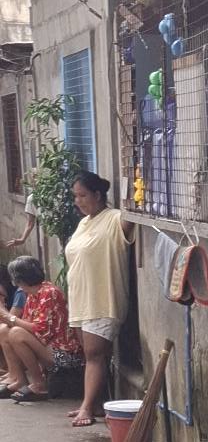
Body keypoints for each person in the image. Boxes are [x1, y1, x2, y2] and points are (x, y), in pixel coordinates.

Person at [65, 171, 135, 427]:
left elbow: (132, 216)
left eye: (82, 195)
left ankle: (86, 408)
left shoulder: (114, 219)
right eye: (75, 196)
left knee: (94, 354)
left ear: (98, 195)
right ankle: (93, 403)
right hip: (81, 301)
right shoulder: (84, 223)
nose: (78, 201)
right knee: (92, 356)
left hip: (102, 299)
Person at [0, 255, 82, 401]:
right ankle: (18, 378)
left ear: (19, 280)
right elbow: (26, 322)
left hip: (63, 353)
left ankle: (39, 384)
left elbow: (39, 328)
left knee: (17, 333)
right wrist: (7, 317)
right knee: (4, 331)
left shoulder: (49, 293)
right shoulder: (33, 294)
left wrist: (8, 316)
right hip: (47, 345)